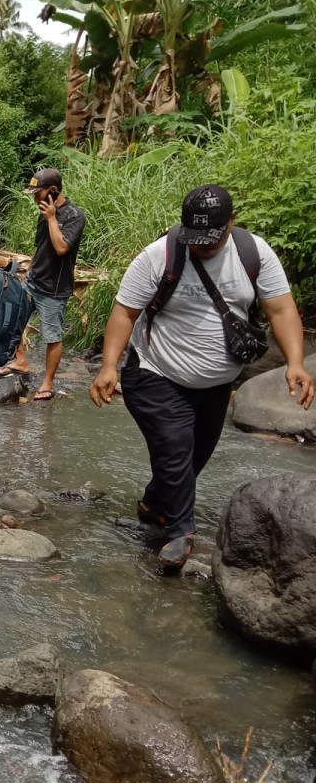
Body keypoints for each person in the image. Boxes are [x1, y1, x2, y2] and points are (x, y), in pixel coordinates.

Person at [89, 184, 313, 572]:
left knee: (195, 456)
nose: (203, 247)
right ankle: (181, 533)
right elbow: (124, 313)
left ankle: (155, 506)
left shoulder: (253, 253)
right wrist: (109, 367)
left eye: (211, 239)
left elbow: (280, 310)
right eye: (196, 239)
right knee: (175, 448)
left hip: (216, 384)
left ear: (232, 221)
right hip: (155, 371)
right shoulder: (159, 256)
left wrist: (295, 362)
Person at [0, 167, 86, 401]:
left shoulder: (74, 216)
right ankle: (21, 362)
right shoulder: (43, 212)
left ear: (53, 191)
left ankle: (47, 382)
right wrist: (29, 272)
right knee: (15, 319)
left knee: (52, 336)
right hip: (34, 281)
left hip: (54, 289)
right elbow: (40, 246)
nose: (36, 198)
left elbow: (61, 247)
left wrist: (51, 218)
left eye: (39, 192)